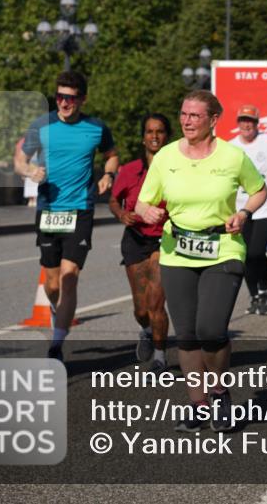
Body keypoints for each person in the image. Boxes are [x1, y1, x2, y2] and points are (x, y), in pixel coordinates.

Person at [136, 90, 267, 431]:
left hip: (222, 247)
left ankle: (220, 391)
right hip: (177, 249)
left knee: (211, 329)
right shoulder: (165, 157)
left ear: (212, 120)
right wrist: (145, 209)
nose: (187, 121)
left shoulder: (232, 156)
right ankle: (199, 404)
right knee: (188, 335)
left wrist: (243, 213)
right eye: (183, 114)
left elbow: (259, 190)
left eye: (195, 116)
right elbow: (142, 201)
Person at [15, 70, 118, 362]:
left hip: (80, 209)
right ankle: (53, 308)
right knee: (52, 283)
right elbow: (19, 159)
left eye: (70, 98)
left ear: (82, 99)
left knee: (70, 276)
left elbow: (111, 154)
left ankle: (57, 345)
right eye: (60, 96)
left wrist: (108, 174)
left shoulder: (97, 128)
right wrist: (29, 171)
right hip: (48, 210)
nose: (64, 103)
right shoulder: (41, 126)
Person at [109, 113, 172, 373]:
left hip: (165, 240)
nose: (154, 136)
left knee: (156, 302)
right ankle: (145, 330)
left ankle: (160, 356)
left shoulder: (174, 169)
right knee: (141, 308)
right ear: (143, 137)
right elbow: (114, 200)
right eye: (149, 131)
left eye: (159, 131)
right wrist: (122, 214)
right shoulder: (130, 170)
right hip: (135, 239)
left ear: (167, 136)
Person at [231, 105, 267, 315]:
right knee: (245, 254)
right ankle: (254, 295)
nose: (247, 124)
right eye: (243, 120)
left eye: (251, 121)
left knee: (256, 251)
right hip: (241, 207)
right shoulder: (231, 147)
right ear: (237, 123)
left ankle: (264, 291)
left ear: (257, 123)